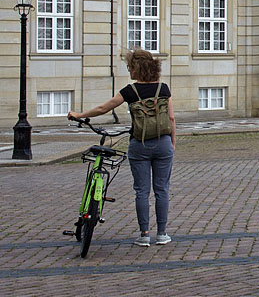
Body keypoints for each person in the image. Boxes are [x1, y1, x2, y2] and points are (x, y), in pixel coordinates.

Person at [68, 49, 177, 247]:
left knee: (142, 191)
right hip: (163, 144)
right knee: (162, 190)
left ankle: (144, 234)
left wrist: (79, 114)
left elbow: (103, 108)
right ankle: (162, 233)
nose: (129, 71)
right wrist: (172, 143)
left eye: (130, 67)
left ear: (137, 68)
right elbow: (170, 118)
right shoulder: (164, 88)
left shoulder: (130, 91)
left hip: (139, 146)